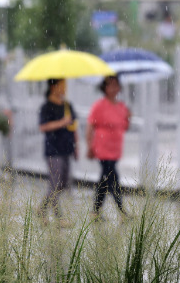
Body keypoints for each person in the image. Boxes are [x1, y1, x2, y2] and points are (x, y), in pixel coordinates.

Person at [86, 75, 131, 221]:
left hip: (115, 148)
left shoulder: (122, 107)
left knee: (104, 180)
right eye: (110, 85)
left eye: (116, 85)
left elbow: (124, 127)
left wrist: (128, 117)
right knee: (113, 178)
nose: (113, 88)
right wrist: (89, 146)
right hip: (102, 148)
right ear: (104, 88)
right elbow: (90, 126)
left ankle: (95, 211)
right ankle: (122, 211)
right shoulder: (99, 105)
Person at [37, 78, 79, 227]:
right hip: (53, 151)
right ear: (53, 86)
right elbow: (43, 127)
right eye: (62, 85)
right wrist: (62, 122)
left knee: (62, 184)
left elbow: (74, 127)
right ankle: (58, 217)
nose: (64, 88)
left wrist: (76, 146)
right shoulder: (46, 107)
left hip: (66, 149)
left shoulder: (67, 105)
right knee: (55, 184)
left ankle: (42, 210)